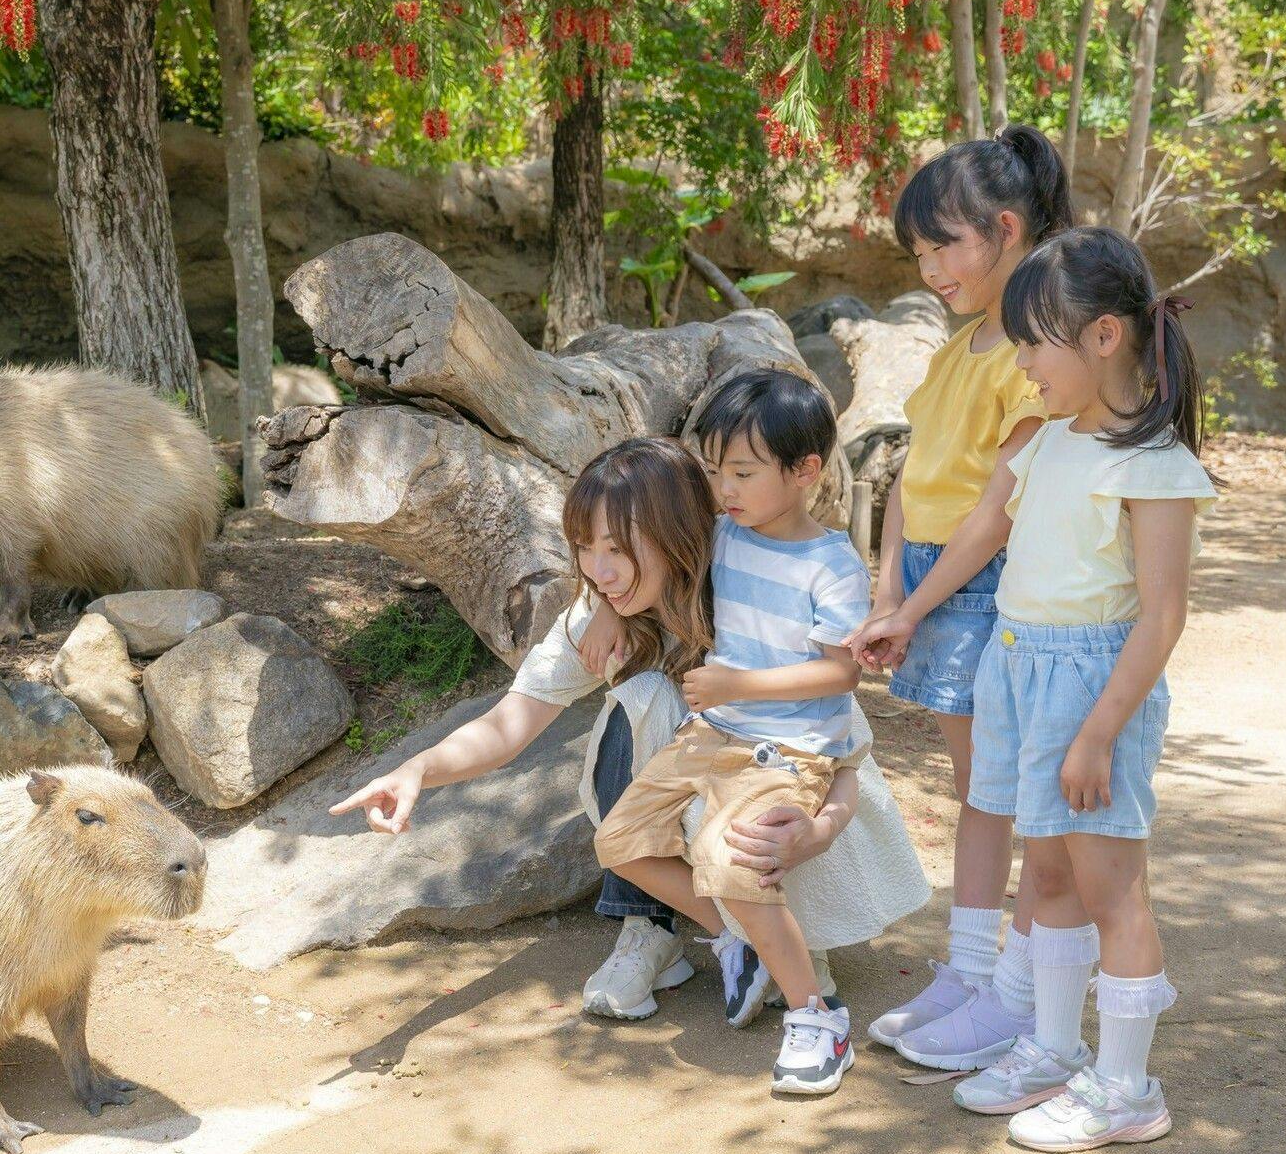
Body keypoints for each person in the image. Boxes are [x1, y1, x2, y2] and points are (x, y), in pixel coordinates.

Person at [331, 435, 928, 1078]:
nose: (598, 569)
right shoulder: (600, 610)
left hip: (794, 803)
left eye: (617, 549)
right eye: (586, 548)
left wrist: (821, 829)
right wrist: (419, 768)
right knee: (639, 700)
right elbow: (513, 721)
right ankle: (731, 935)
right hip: (701, 790)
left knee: (717, 763)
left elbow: (842, 751)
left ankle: (801, 971)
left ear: (678, 535)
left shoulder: (758, 593)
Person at [936, 226, 1214, 1150]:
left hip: (1092, 691)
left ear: (1102, 337)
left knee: (1110, 887)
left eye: (1034, 342)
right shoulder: (1051, 441)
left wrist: (1098, 732)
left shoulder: (1157, 468)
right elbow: (987, 532)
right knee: (1047, 871)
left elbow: (1161, 617)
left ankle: (1128, 1087)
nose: (1023, 364)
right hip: (1022, 671)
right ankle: (1053, 1048)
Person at [842, 126, 1076, 1072]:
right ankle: (970, 970)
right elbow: (910, 478)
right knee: (980, 793)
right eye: (921, 252)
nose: (932, 268)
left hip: (985, 587)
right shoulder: (953, 351)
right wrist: (889, 582)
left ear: (1008, 230)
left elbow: (998, 511)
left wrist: (914, 603)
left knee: (1019, 796)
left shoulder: (1031, 353)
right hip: (934, 584)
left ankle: (1016, 993)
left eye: (947, 245)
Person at [587, 371, 874, 1095]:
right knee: (618, 842)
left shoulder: (831, 564)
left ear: (804, 471)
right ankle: (737, 942)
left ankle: (816, 1017)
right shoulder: (723, 533)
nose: (725, 489)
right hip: (709, 737)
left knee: (730, 859)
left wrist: (739, 685)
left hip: (787, 750)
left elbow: (842, 674)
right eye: (715, 472)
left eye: (743, 472)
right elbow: (642, 553)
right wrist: (608, 608)